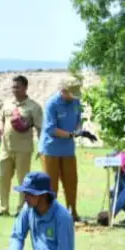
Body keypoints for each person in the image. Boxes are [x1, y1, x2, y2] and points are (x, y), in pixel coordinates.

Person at [40, 82, 93, 222]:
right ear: (63, 91)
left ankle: (72, 211)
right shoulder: (52, 104)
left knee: (71, 181)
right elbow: (51, 129)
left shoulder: (76, 102)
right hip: (51, 149)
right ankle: (51, 213)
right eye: (71, 94)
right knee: (51, 184)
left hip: (68, 150)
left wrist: (79, 130)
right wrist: (71, 135)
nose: (74, 97)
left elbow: (78, 121)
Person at [0, 75, 44, 216]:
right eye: (13, 87)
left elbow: (40, 128)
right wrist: (0, 129)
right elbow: (2, 119)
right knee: (2, 177)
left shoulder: (33, 107)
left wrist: (41, 147)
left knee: (23, 180)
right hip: (5, 148)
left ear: (25, 88)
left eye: (17, 87)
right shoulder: (7, 104)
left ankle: (22, 208)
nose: (14, 90)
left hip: (23, 149)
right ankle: (2, 208)